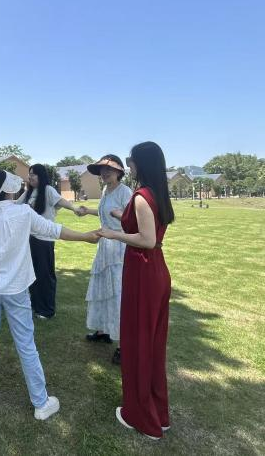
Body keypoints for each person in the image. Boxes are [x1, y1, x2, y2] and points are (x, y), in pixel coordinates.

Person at [0, 170, 99, 419]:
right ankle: (40, 402)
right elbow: (54, 230)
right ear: (8, 189)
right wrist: (85, 237)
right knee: (26, 345)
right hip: (16, 290)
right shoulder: (22, 212)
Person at [97, 142, 174, 440]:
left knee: (138, 344)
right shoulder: (157, 194)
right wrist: (122, 215)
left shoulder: (141, 196)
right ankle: (159, 413)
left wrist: (113, 233)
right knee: (153, 346)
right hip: (156, 271)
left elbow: (147, 240)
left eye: (130, 160)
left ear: (141, 163)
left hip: (143, 271)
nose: (128, 165)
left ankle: (141, 417)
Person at [77, 155, 132, 364]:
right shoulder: (105, 191)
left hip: (119, 248)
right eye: (102, 170)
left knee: (118, 294)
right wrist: (88, 211)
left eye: (109, 169)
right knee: (103, 290)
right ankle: (103, 331)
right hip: (104, 248)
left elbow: (133, 220)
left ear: (119, 171)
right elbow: (105, 213)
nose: (105, 173)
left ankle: (123, 345)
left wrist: (120, 216)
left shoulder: (125, 192)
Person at [17, 164, 79, 319]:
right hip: (30, 239)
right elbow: (15, 205)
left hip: (44, 240)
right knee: (32, 274)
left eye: (34, 174)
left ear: (41, 176)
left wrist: (74, 208)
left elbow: (62, 201)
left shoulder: (48, 190)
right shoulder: (28, 192)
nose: (30, 177)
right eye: (30, 174)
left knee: (45, 275)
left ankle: (47, 310)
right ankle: (35, 305)